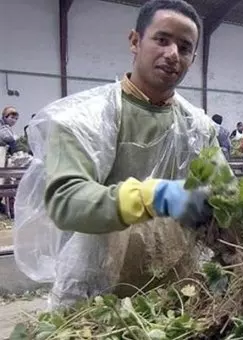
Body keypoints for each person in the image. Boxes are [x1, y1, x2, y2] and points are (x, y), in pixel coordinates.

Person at [13, 0, 220, 309]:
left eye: (185, 47)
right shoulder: (84, 118)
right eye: (162, 40)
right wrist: (153, 196)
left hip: (175, 292)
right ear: (135, 41)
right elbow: (66, 201)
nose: (172, 53)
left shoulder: (199, 128)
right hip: (94, 294)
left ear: (192, 58)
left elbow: (226, 198)